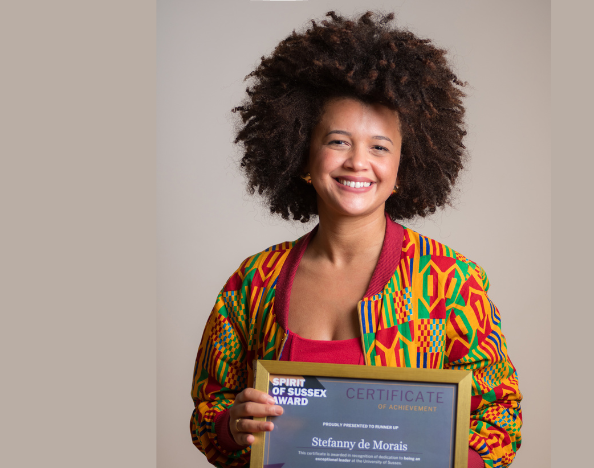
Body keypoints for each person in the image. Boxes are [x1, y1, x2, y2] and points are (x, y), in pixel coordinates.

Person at [190, 11, 522, 468]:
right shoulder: (252, 283)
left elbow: (501, 417)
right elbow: (208, 410)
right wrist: (231, 425)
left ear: (403, 171)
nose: (358, 163)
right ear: (302, 156)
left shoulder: (451, 282)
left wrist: (437, 455)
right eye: (338, 142)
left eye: (380, 147)